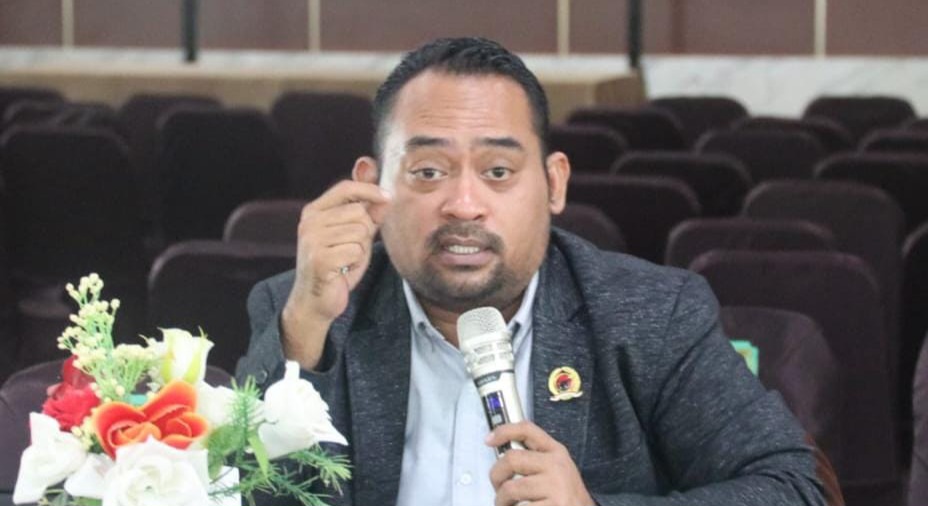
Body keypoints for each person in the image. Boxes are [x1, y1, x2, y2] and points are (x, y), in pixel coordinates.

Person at [237, 37, 836, 506]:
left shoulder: (651, 316)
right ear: (371, 186)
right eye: (428, 172)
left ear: (553, 184)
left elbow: (794, 488)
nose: (463, 205)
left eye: (497, 172)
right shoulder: (308, 310)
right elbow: (242, 493)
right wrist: (303, 332)